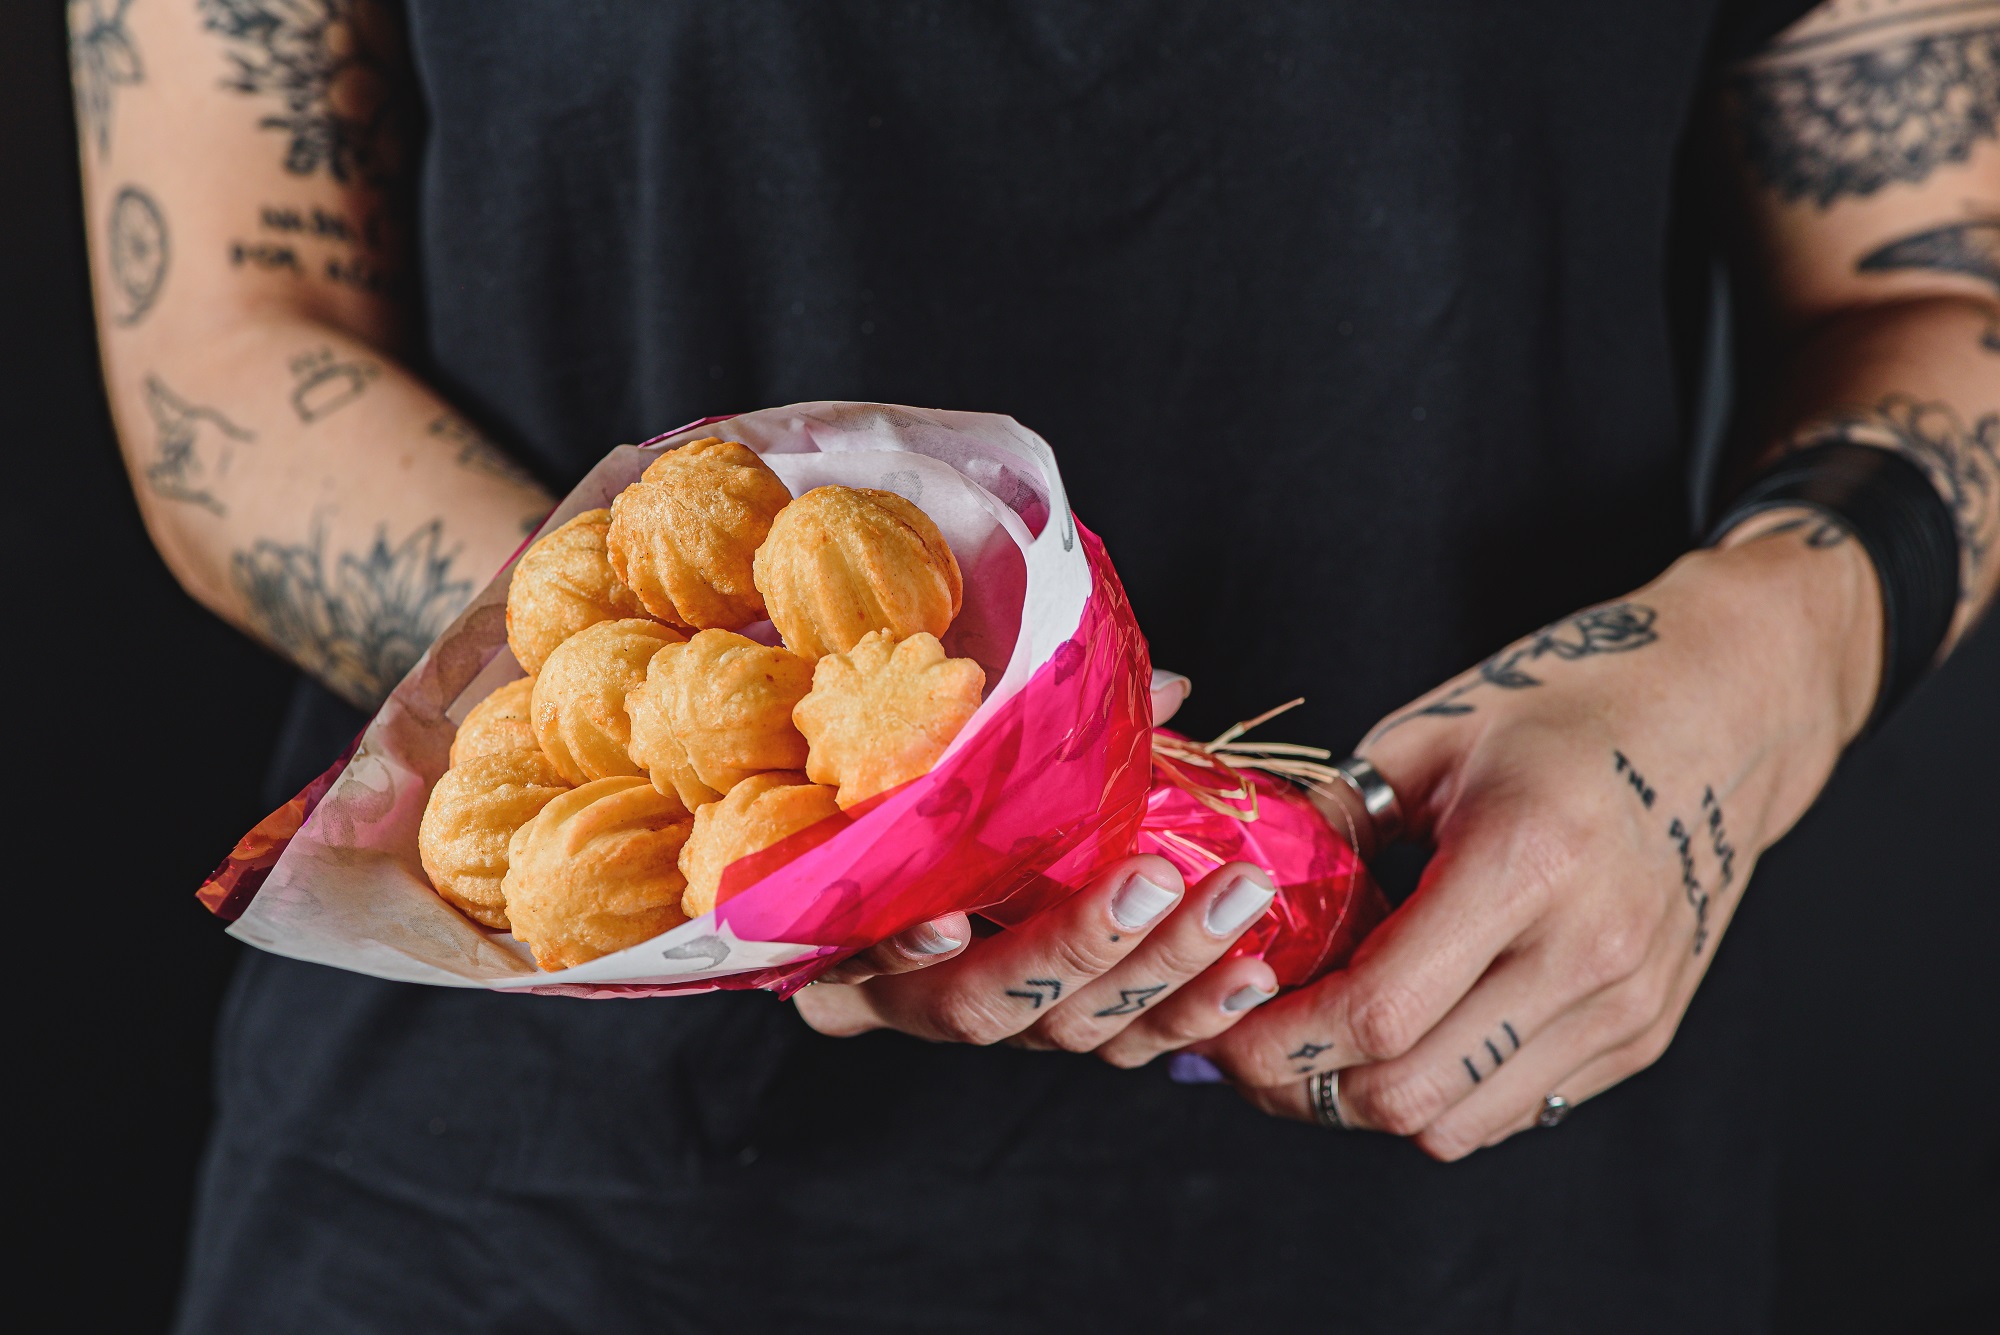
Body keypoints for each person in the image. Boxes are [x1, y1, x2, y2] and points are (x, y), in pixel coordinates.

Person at [72, 1, 1996, 1330]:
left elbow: (1936, 279)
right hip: (538, 1220)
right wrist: (786, 802)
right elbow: (235, 338)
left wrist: (1759, 670)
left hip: (1478, 1140)